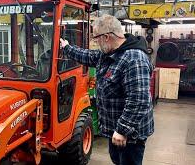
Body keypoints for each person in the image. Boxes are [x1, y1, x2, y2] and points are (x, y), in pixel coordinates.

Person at [60, 14, 154, 165]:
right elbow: (89, 56)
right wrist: (67, 48)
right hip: (115, 129)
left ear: (107, 37)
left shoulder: (134, 58)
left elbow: (139, 100)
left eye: (96, 38)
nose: (96, 43)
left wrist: (123, 130)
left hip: (130, 135)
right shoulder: (110, 53)